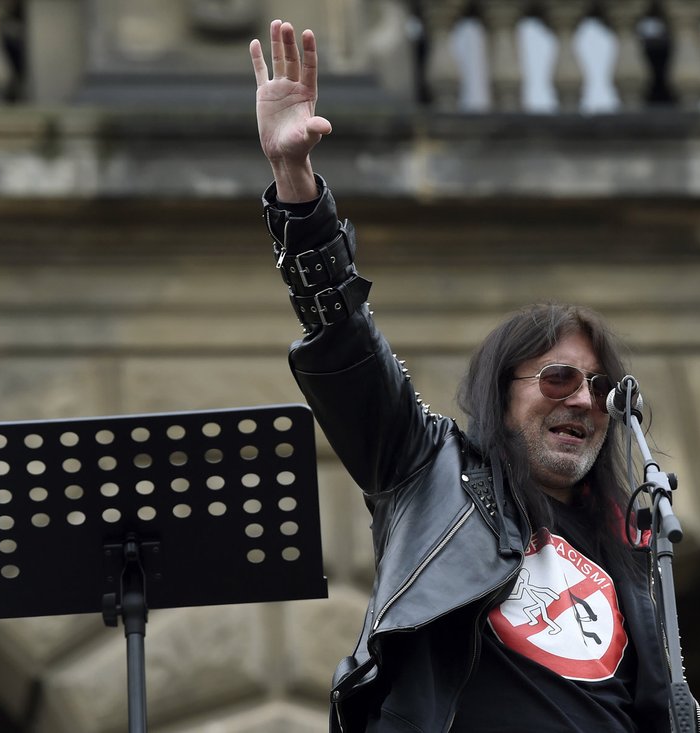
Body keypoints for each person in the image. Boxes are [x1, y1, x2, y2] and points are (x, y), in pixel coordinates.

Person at [250, 19, 672, 733]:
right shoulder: (432, 472)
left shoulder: (630, 551)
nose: (584, 401)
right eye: (559, 378)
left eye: (600, 388)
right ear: (503, 394)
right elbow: (348, 343)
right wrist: (297, 186)